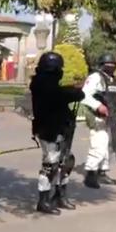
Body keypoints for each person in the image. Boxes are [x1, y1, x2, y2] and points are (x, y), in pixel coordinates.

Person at [30, 52, 85, 215]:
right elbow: (63, 95)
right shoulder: (41, 84)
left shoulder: (50, 84)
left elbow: (65, 93)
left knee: (66, 161)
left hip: (61, 127)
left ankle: (60, 196)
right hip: (48, 129)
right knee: (50, 164)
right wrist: (76, 91)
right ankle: (44, 200)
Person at [82, 53, 116, 189]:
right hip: (98, 116)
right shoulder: (95, 77)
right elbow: (84, 95)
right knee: (98, 145)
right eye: (108, 65)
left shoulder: (112, 79)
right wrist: (98, 106)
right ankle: (90, 174)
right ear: (102, 65)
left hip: (111, 116)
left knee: (109, 145)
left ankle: (102, 172)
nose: (111, 67)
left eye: (113, 65)